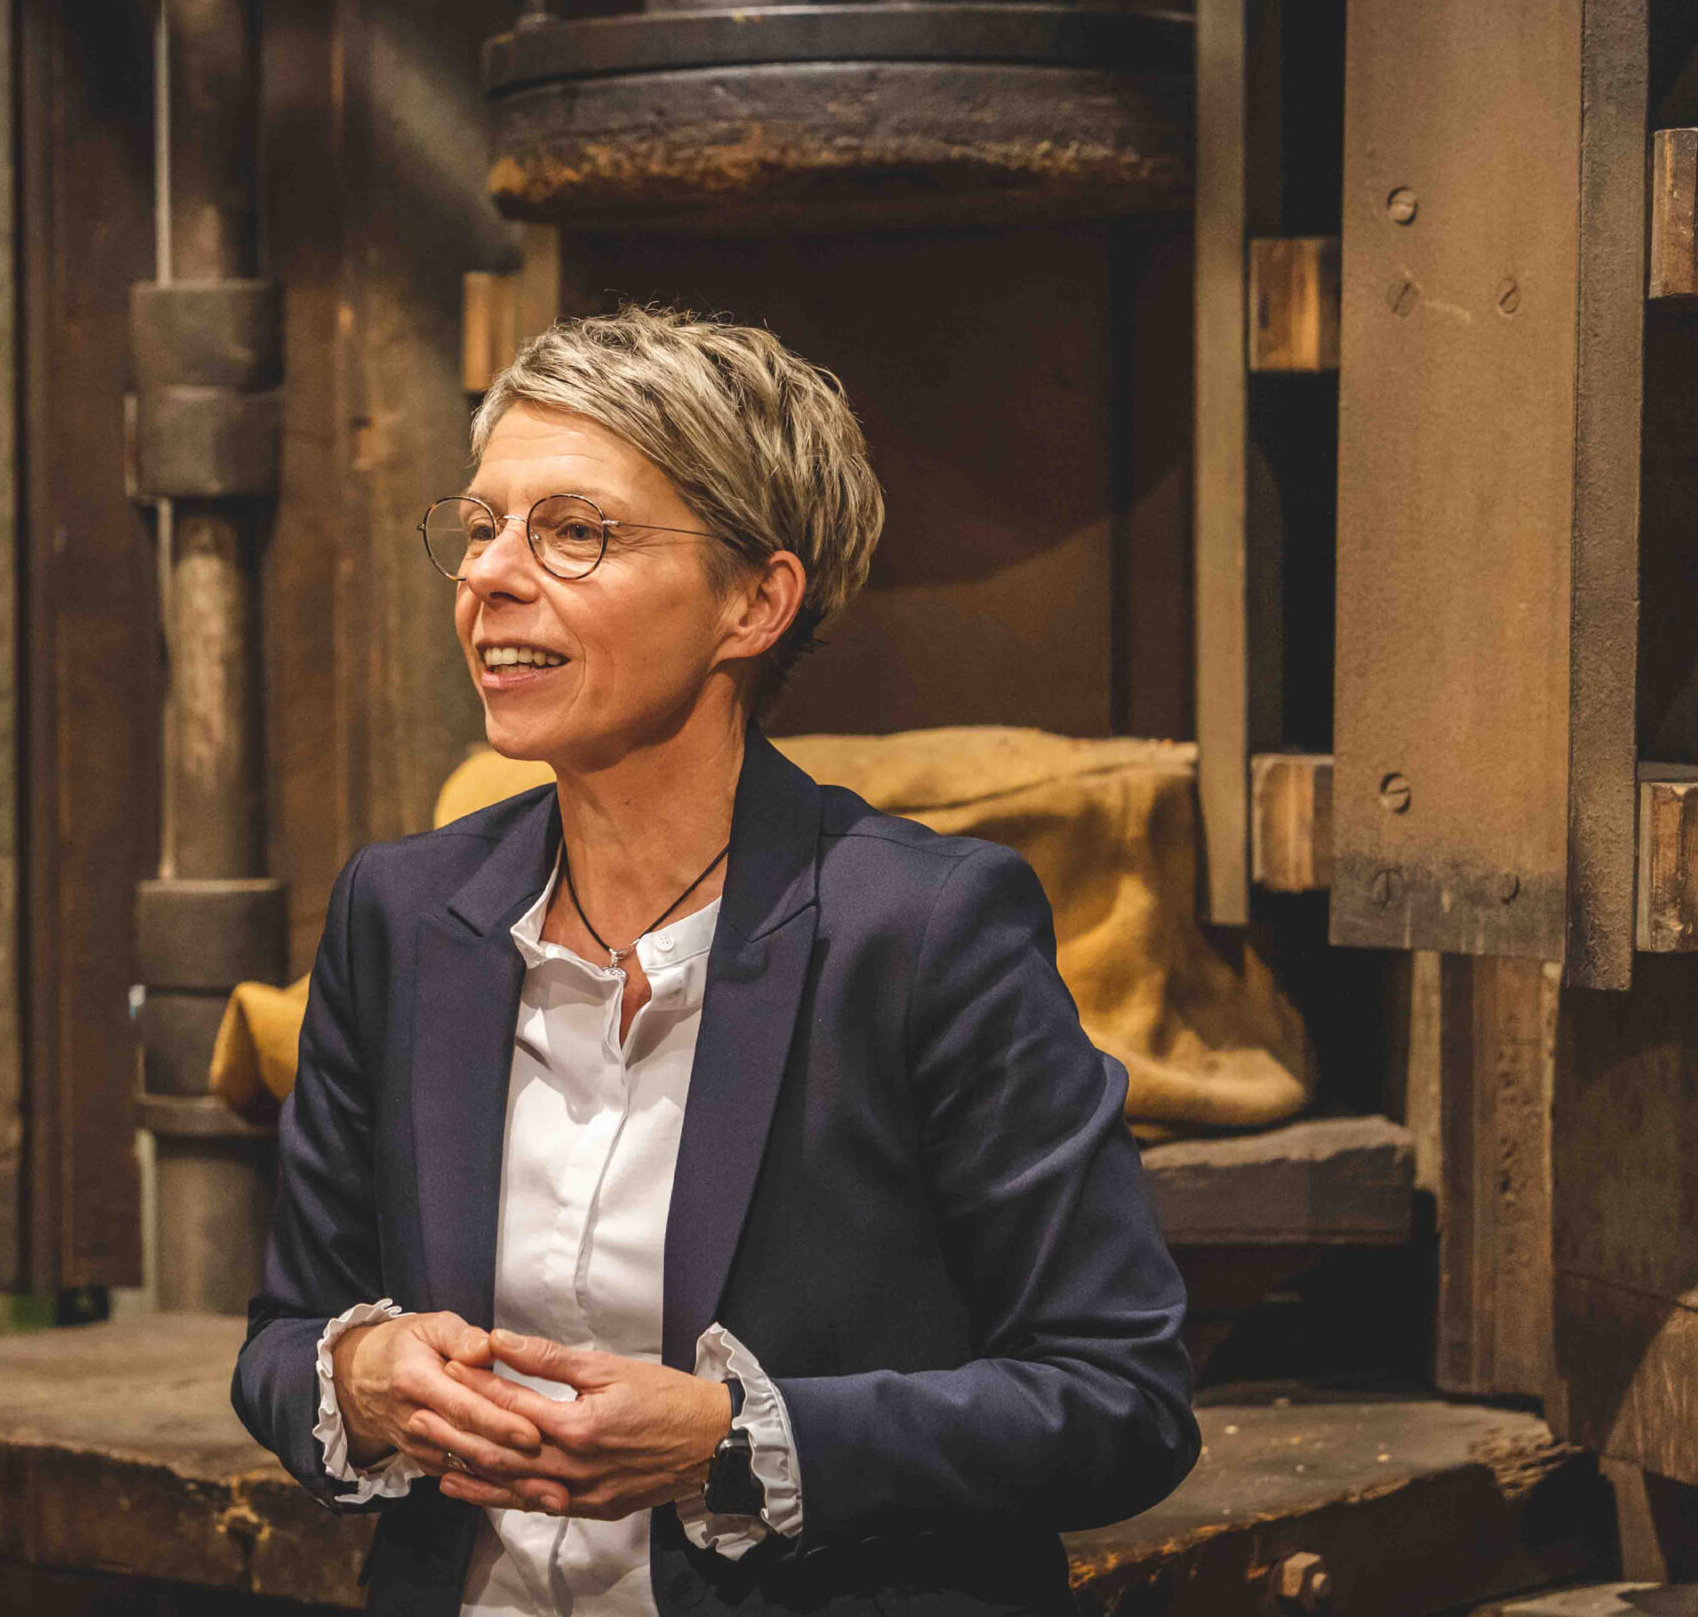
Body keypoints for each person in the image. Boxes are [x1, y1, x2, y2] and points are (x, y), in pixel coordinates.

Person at [231, 307, 1200, 1617]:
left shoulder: (923, 931)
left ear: (756, 601)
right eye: (479, 527)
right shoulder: (402, 914)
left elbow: (1119, 1399)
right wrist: (360, 1381)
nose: (490, 576)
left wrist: (737, 1442)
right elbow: (284, 1339)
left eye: (574, 532)